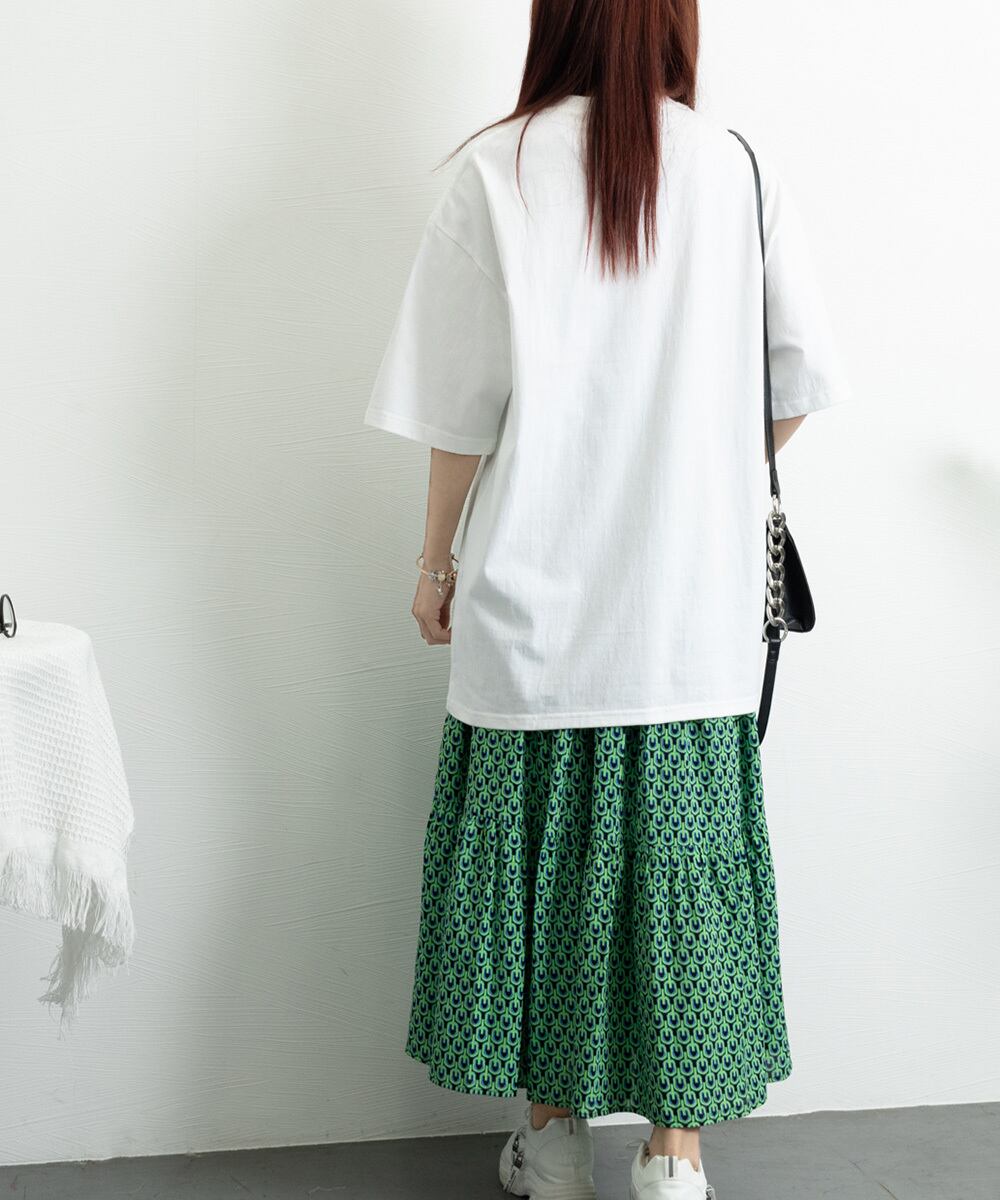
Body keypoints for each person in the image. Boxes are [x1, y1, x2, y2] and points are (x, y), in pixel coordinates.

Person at [363, 1, 852, 1197]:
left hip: (533, 610)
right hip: (686, 613)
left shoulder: (498, 169)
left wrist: (433, 564)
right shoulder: (735, 170)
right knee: (679, 878)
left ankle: (553, 1143)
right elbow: (794, 384)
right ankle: (674, 1163)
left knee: (545, 874)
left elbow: (455, 409)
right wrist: (701, 476)